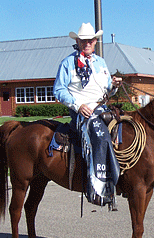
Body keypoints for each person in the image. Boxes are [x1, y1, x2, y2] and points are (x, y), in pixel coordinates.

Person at [53, 22, 122, 208]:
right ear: (77, 41)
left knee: (123, 131)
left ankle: (122, 177)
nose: (87, 43)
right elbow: (58, 90)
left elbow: (107, 91)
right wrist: (78, 105)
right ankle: (99, 189)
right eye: (83, 40)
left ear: (95, 41)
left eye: (90, 40)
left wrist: (114, 86)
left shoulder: (101, 62)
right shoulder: (68, 63)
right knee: (100, 138)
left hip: (102, 109)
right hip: (81, 112)